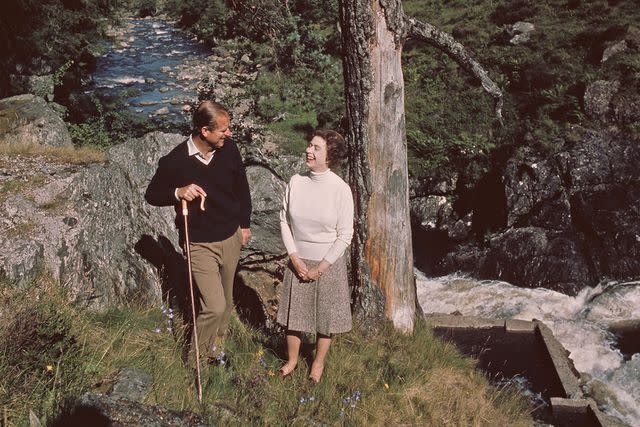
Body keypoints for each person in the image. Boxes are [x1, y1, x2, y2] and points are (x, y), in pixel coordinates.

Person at [145, 100, 252, 367]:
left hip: (230, 237)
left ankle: (216, 350)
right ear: (204, 131)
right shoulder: (176, 160)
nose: (228, 134)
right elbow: (152, 194)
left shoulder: (229, 150)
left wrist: (245, 224)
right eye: (223, 130)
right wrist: (178, 192)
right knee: (213, 306)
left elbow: (242, 188)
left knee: (226, 304)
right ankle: (196, 362)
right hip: (198, 243)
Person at [277, 129, 354, 383]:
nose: (309, 150)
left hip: (327, 264)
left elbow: (345, 235)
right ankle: (291, 361)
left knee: (325, 319)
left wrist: (321, 267)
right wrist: (295, 258)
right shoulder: (295, 182)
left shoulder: (341, 190)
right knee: (294, 317)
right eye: (310, 145)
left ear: (329, 157)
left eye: (316, 148)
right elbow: (284, 221)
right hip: (298, 260)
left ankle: (318, 364)